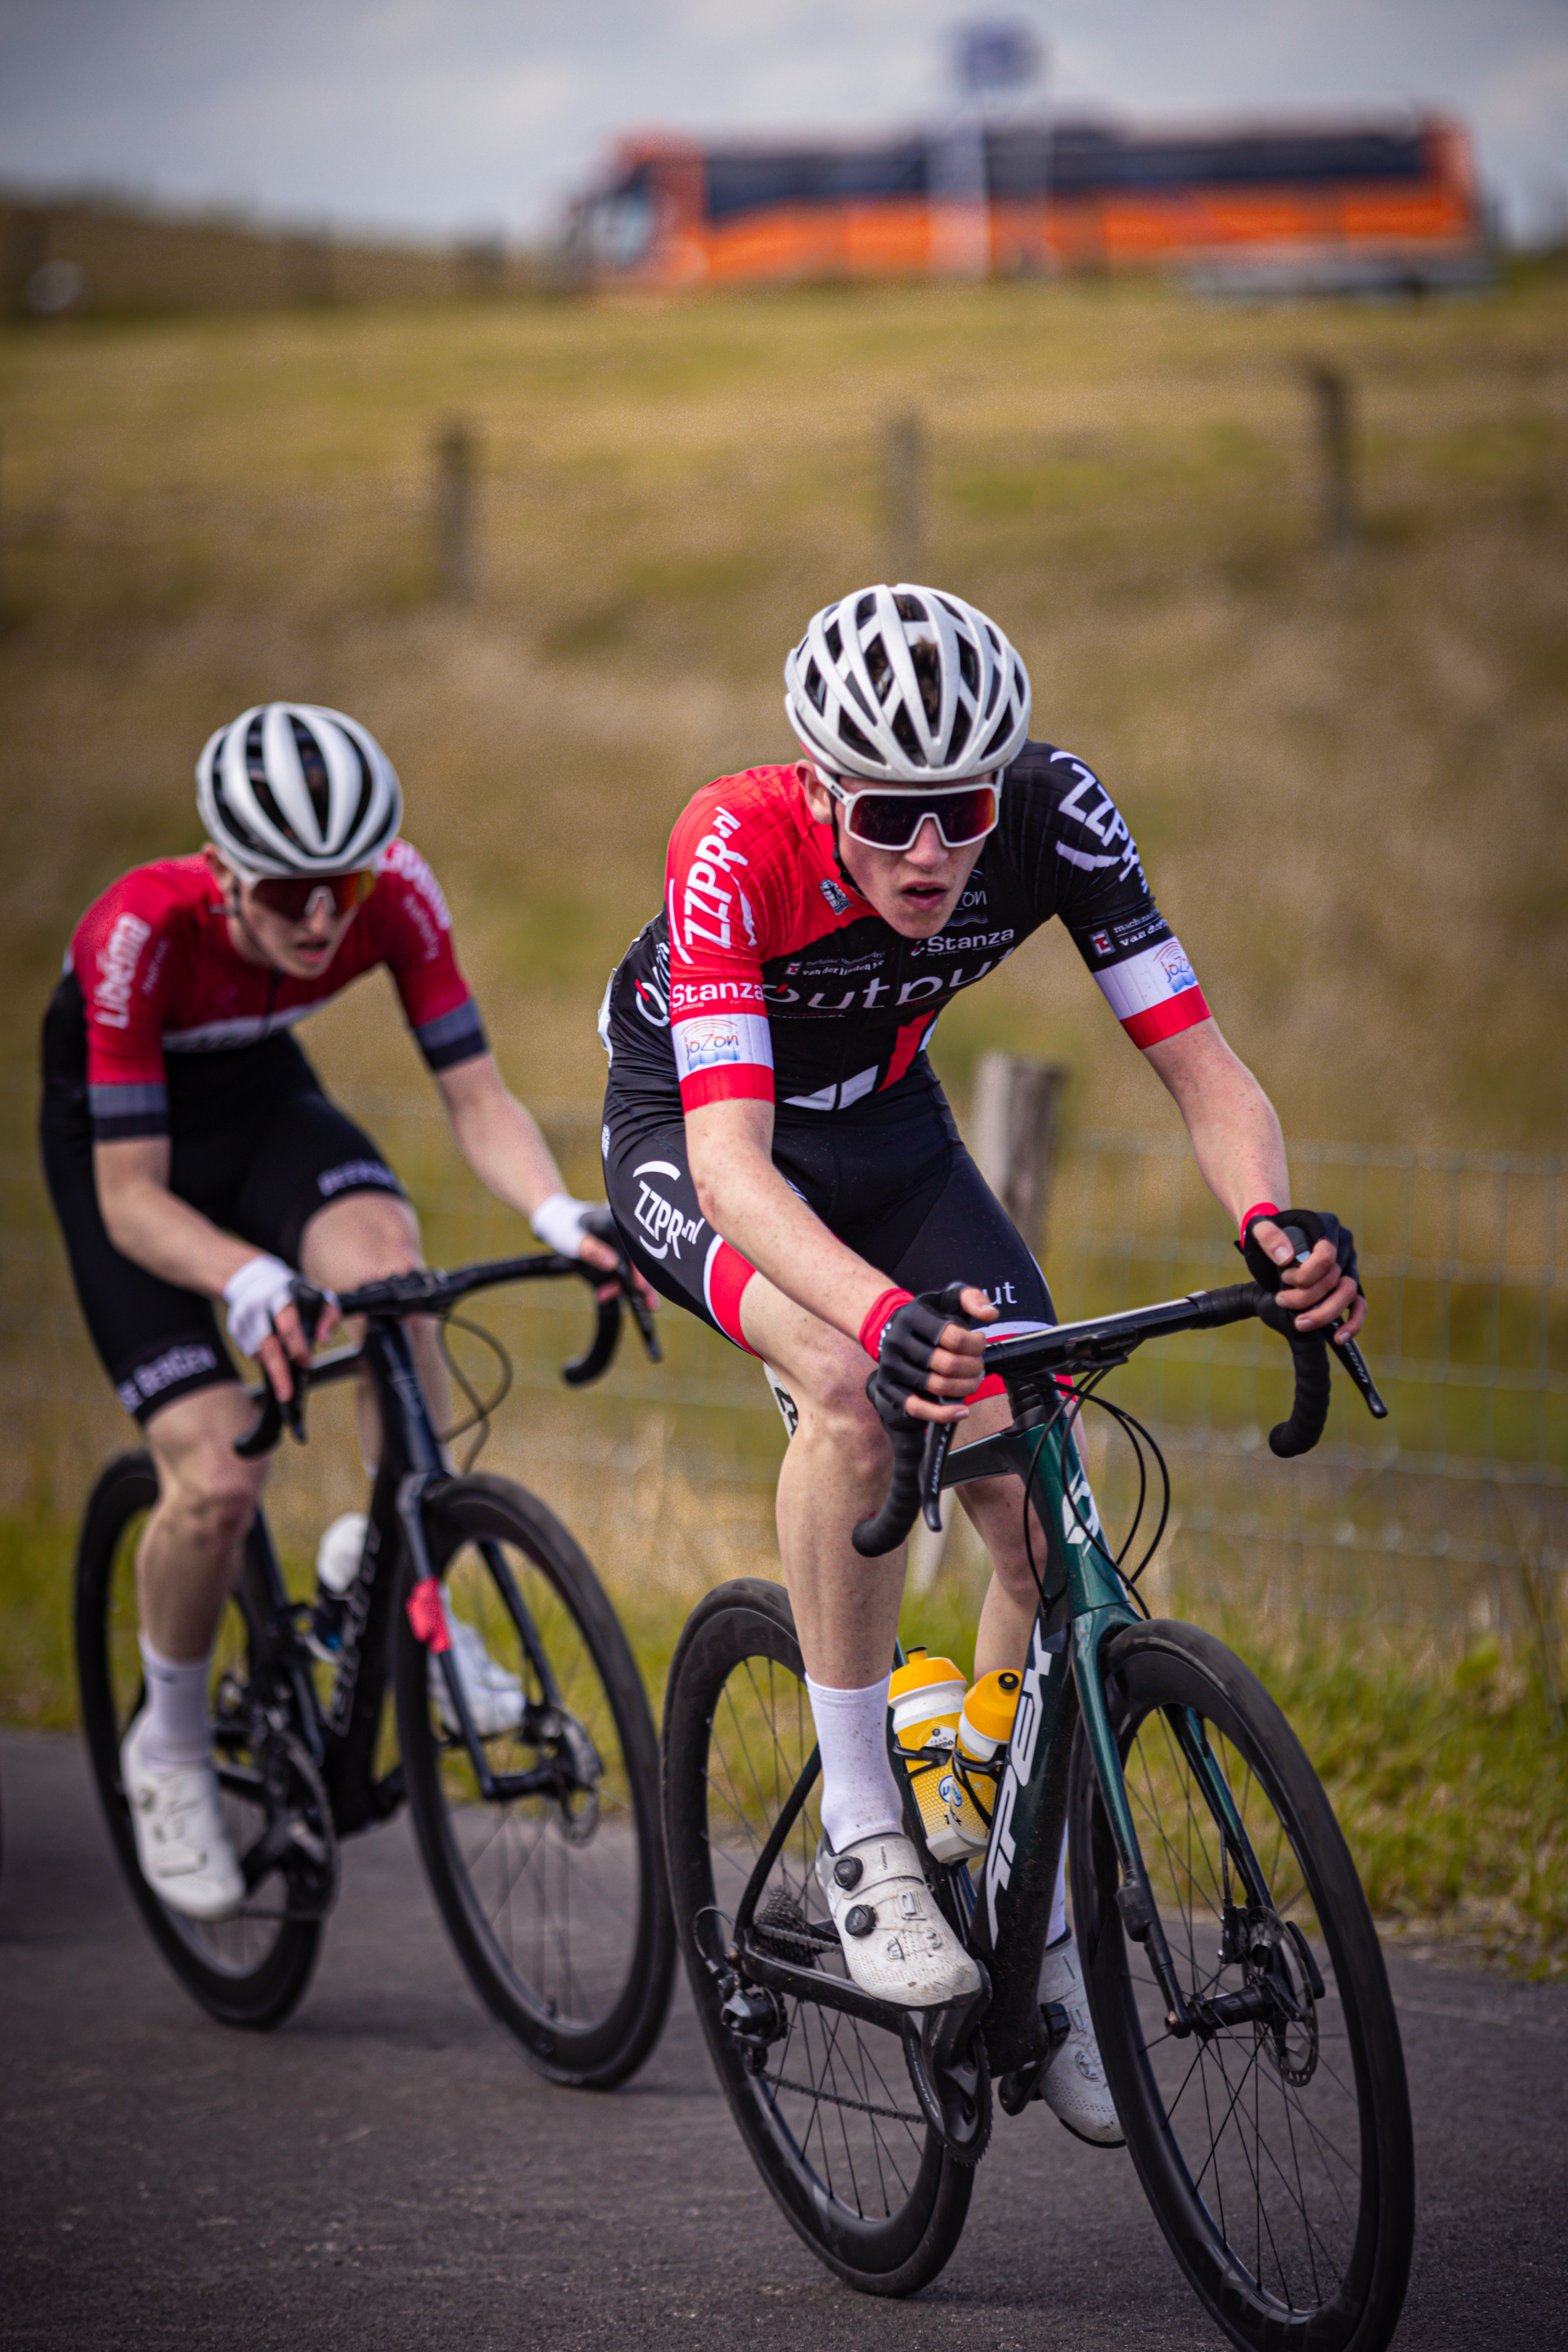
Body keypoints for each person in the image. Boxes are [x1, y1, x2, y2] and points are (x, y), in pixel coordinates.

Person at [599, 584, 1365, 2144]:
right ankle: (867, 1827)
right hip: (701, 1138)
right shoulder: (734, 841)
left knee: (1046, 1471)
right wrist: (882, 1324)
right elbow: (737, 1172)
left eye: (960, 810)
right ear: (820, 788)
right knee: (845, 1397)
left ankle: (1028, 1895)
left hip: (887, 1135)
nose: (931, 852)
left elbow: (1201, 1065)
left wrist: (1272, 1224)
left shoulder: (1056, 814)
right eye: (888, 817)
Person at [42, 702, 631, 1924]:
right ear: (226, 872)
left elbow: (476, 1099)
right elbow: (132, 1199)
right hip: (131, 1158)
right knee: (214, 1476)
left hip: (260, 1109)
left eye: (346, 885)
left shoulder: (396, 895)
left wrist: (558, 1214)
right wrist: (248, 1279)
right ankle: (169, 1738)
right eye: (292, 893)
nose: (322, 919)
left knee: (391, 1272)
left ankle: (392, 1559)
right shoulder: (138, 934)